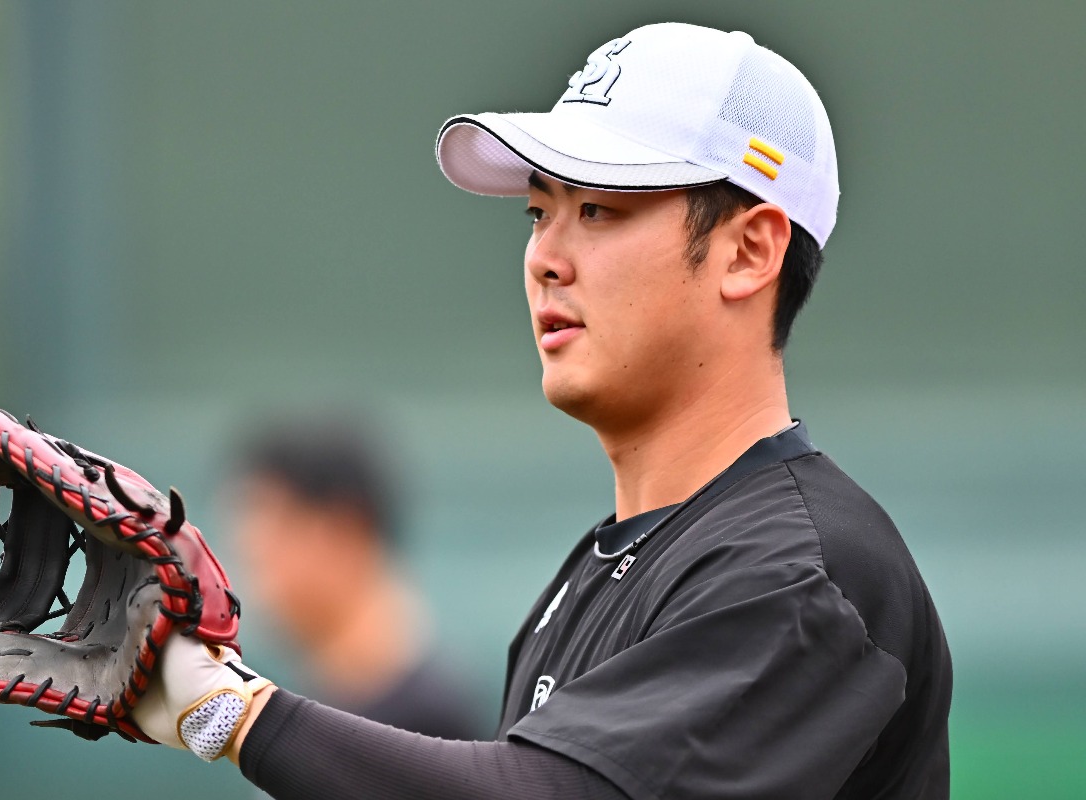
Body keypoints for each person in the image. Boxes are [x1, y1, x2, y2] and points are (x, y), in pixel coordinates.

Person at [133, 22, 953, 799]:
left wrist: (233, 713)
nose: (544, 259)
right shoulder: (609, 564)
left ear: (748, 251)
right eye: (539, 212)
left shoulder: (802, 574)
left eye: (598, 209)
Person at [227, 420, 483, 741]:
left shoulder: (424, 723)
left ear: (344, 529)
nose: (253, 579)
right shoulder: (332, 699)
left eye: (268, 547)